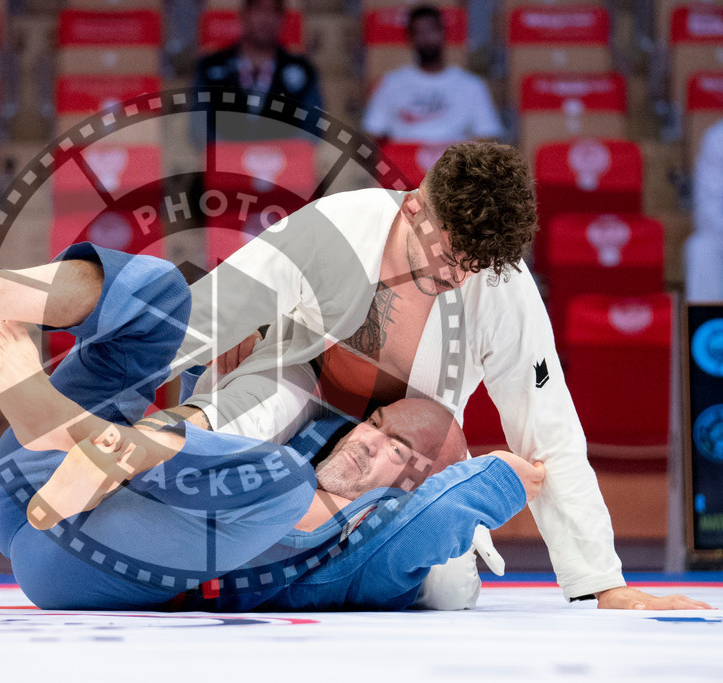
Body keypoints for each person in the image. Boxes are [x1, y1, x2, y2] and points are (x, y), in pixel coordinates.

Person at [0, 196, 545, 611]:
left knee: (285, 485)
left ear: (410, 488)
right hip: (26, 484)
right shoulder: (302, 431)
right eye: (376, 424)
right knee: (169, 298)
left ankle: (71, 433)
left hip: (78, 566)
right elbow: (221, 390)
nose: (365, 438)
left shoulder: (369, 553)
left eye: (395, 450)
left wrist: (507, 478)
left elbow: (439, 528)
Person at [166, 141, 711, 611]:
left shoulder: (502, 286)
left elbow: (548, 428)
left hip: (400, 458)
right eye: (450, 254)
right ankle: (140, 498)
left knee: (448, 586)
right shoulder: (338, 228)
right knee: (245, 417)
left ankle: (294, 568)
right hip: (297, 395)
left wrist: (601, 582)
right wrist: (106, 390)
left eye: (475, 264)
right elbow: (206, 313)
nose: (457, 275)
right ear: (414, 207)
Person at [361, 5, 503, 146]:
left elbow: (489, 135)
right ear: (410, 38)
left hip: (456, 164)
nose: (427, 38)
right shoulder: (390, 83)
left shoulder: (472, 85)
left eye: (432, 30)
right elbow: (371, 132)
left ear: (443, 32)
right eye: (419, 32)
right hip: (402, 164)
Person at [194, 0, 323, 140]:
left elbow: (313, 126)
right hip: (225, 157)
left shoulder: (302, 69)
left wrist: (281, 154)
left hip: (286, 158)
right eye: (259, 10)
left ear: (283, 19)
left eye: (273, 12)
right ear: (244, 14)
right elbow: (199, 125)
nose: (265, 19)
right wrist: (232, 154)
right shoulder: (211, 66)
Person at [685, 118, 723, 302]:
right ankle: (710, 327)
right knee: (702, 249)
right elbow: (707, 211)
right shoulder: (718, 138)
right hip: (720, 234)